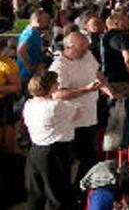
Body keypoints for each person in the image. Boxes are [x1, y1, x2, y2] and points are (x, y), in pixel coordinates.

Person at [50, 31, 117, 184]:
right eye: (82, 48)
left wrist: (110, 92)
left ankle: (84, 188)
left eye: (87, 47)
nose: (86, 51)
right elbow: (57, 94)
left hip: (89, 117)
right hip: (70, 122)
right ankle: (69, 191)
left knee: (90, 157)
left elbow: (97, 75)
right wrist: (86, 89)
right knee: (69, 161)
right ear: (69, 48)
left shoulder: (87, 55)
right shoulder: (59, 66)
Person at [22, 72, 81, 210]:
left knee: (36, 193)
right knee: (56, 193)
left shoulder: (29, 104)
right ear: (51, 87)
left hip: (35, 151)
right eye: (56, 83)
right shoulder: (55, 106)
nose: (58, 85)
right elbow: (77, 113)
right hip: (55, 151)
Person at [16, 9, 49, 86]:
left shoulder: (31, 31)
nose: (48, 22)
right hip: (27, 73)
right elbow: (20, 50)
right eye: (46, 20)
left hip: (27, 71)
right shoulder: (32, 33)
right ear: (38, 20)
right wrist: (30, 67)